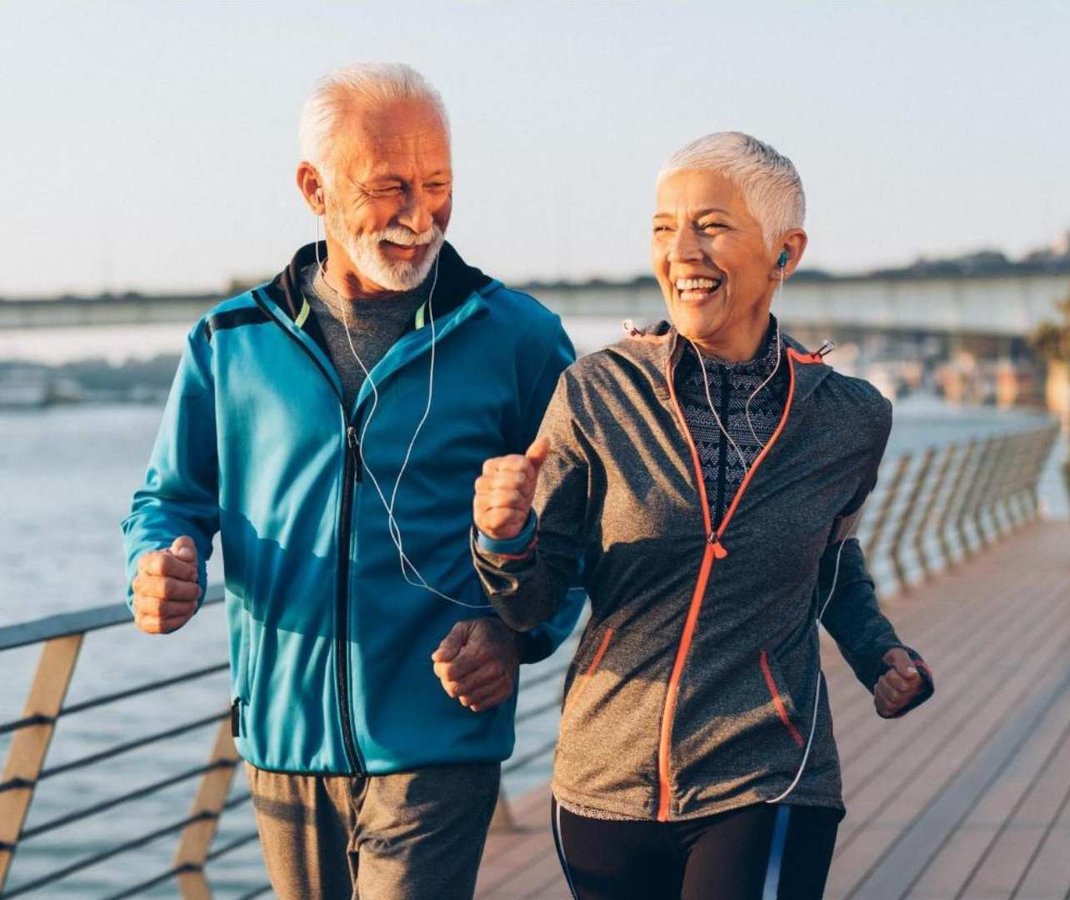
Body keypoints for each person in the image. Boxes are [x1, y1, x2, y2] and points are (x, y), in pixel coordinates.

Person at [121, 63, 583, 899]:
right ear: (314, 188)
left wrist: (519, 636)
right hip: (283, 744)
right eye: (389, 187)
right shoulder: (229, 342)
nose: (419, 213)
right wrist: (160, 562)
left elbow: (585, 524)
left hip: (440, 735)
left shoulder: (519, 338)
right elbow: (169, 500)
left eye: (438, 184)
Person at [470, 132, 934, 900]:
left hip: (769, 772)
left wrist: (879, 653)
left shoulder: (852, 419)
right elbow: (534, 601)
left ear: (784, 252)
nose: (681, 250)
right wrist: (504, 534)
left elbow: (829, 560)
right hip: (603, 784)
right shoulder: (593, 393)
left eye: (711, 226)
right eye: (663, 228)